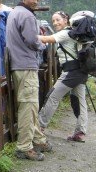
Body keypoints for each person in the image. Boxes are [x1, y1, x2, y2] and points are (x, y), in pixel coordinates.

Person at [6, 0, 51, 161]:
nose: (35, 2)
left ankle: (38, 139)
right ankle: (24, 147)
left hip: (18, 64)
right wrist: (43, 46)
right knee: (28, 105)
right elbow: (32, 41)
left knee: (30, 104)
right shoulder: (27, 15)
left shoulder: (14, 12)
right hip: (25, 64)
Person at [37, 11, 89, 142]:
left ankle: (39, 127)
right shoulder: (75, 33)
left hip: (71, 72)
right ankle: (80, 132)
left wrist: (26, 34)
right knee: (79, 100)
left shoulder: (66, 33)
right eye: (53, 21)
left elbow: (46, 39)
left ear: (66, 20)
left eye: (58, 20)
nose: (55, 23)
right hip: (81, 71)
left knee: (52, 97)